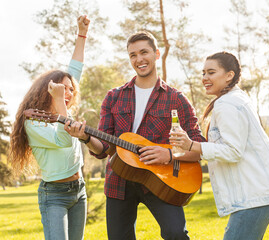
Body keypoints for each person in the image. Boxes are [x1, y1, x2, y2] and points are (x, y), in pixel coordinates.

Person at [64, 31, 205, 240]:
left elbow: (199, 146)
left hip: (163, 180)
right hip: (119, 180)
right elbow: (103, 148)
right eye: (132, 55)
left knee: (176, 233)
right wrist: (84, 137)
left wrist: (169, 155)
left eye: (144, 52)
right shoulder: (114, 97)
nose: (139, 59)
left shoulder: (176, 99)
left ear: (156, 54)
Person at [170, 51, 269, 240]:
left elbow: (233, 151)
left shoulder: (227, 104)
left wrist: (191, 144)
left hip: (255, 198)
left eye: (211, 72)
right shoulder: (234, 99)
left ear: (229, 75)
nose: (205, 78)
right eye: (203, 73)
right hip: (259, 195)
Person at [9, 15, 90, 240]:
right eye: (63, 89)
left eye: (71, 89)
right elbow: (63, 140)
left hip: (78, 190)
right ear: (50, 91)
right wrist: (60, 102)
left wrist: (82, 34)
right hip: (54, 195)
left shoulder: (65, 113)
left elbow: (76, 67)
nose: (70, 93)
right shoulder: (34, 121)